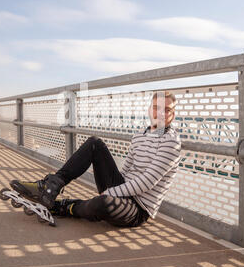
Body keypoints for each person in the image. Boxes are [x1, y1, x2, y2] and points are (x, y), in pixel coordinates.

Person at [10, 91, 181, 228]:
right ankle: (50, 187)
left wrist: (112, 192)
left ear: (172, 114)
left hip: (138, 209)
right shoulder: (139, 137)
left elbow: (147, 182)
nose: (161, 113)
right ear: (150, 109)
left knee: (104, 203)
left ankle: (63, 207)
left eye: (167, 110)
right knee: (94, 143)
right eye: (157, 107)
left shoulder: (171, 142)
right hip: (122, 191)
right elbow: (126, 171)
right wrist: (113, 187)